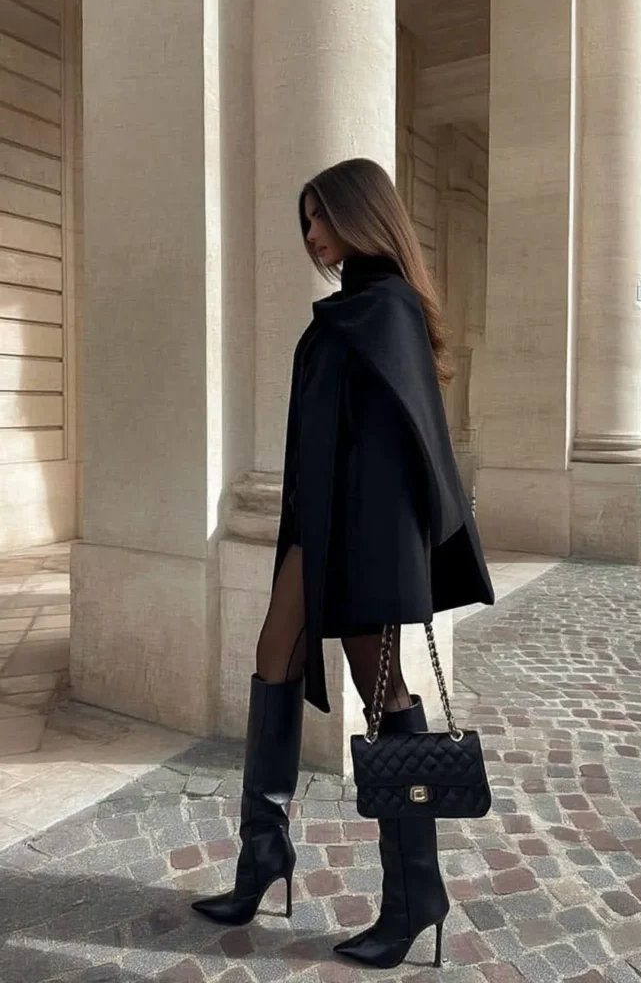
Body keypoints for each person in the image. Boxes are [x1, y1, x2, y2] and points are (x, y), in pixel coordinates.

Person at [192, 157, 494, 969]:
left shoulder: (383, 309)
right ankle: (263, 852)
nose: (310, 236)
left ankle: (413, 897)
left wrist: (392, 572)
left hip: (361, 545)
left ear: (362, 217)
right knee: (272, 658)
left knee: (383, 694)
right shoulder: (354, 310)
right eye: (304, 221)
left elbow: (409, 457)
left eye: (319, 217)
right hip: (316, 535)